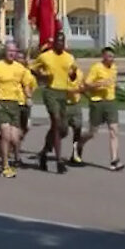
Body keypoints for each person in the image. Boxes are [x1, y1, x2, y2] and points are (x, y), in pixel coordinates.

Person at [0, 41, 37, 178]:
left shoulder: (20, 68)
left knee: (14, 138)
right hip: (1, 103)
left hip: (15, 105)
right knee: (6, 135)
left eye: (14, 51)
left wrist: (28, 95)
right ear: (4, 52)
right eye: (9, 51)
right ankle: (5, 166)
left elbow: (26, 84)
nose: (12, 53)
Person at [32, 31, 76, 174]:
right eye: (58, 41)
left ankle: (44, 152)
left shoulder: (69, 58)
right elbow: (33, 69)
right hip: (50, 91)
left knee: (63, 129)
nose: (60, 44)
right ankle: (59, 161)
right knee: (56, 122)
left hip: (63, 93)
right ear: (54, 42)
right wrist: (42, 75)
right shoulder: (45, 56)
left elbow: (73, 76)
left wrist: (73, 75)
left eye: (62, 42)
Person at [78, 46, 125, 171]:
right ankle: (79, 143)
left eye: (113, 57)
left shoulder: (114, 68)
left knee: (114, 130)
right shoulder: (96, 68)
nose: (111, 59)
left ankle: (114, 159)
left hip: (110, 101)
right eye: (109, 56)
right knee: (92, 132)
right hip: (97, 102)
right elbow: (86, 84)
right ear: (103, 56)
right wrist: (99, 84)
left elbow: (113, 82)